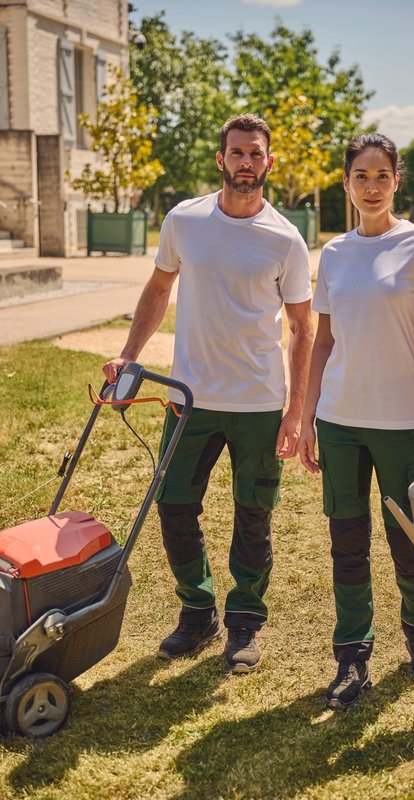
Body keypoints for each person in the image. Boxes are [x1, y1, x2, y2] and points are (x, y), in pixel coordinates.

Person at [103, 114, 313, 673]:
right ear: (221, 159)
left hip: (259, 404)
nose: (246, 161)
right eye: (237, 152)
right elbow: (158, 289)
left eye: (256, 153)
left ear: (270, 163)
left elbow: (303, 328)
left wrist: (296, 409)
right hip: (188, 399)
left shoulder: (286, 238)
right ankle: (197, 613)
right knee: (173, 507)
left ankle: (244, 624)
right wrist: (129, 354)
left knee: (253, 516)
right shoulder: (185, 220)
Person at [298, 133, 414, 710]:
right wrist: (309, 416)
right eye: (360, 177)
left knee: (411, 542)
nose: (371, 186)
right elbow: (322, 343)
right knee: (347, 543)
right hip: (340, 421)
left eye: (381, 176)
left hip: (401, 422)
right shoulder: (335, 254)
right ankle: (352, 658)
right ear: (346, 184)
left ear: (396, 182)